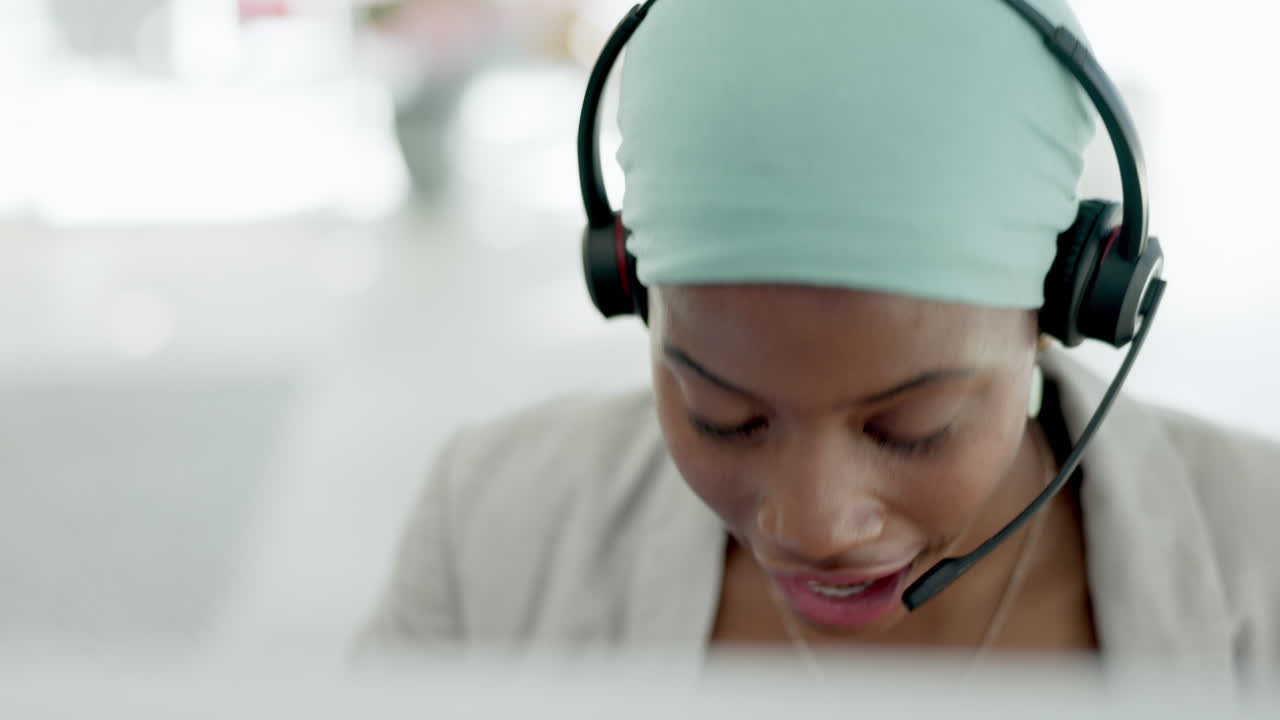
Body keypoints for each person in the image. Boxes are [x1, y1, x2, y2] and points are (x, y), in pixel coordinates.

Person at [356, 0, 1280, 686]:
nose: (811, 526)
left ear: (1064, 304)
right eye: (723, 418)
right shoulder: (486, 533)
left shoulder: (1260, 548)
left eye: (911, 428)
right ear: (630, 287)